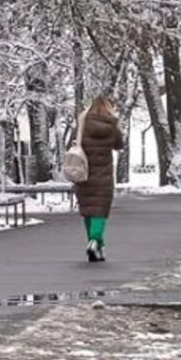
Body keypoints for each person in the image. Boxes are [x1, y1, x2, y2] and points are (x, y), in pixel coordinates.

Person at [74, 95, 124, 263]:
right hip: (104, 175)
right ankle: (95, 241)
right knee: (100, 211)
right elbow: (119, 145)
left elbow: (71, 145)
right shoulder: (112, 124)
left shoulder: (82, 122)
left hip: (84, 173)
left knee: (89, 210)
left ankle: (94, 245)